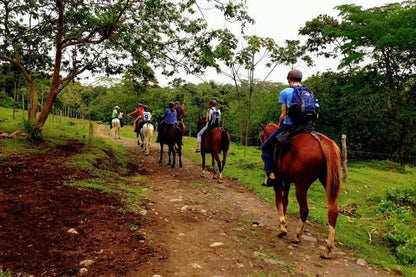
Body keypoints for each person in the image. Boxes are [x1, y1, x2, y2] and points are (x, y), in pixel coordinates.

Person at [261, 69, 305, 187]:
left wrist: (280, 124)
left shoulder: (285, 92)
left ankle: (270, 175)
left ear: (289, 80)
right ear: (301, 80)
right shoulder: (307, 91)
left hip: (290, 126)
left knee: (265, 147)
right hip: (306, 127)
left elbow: (283, 115)